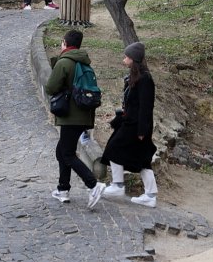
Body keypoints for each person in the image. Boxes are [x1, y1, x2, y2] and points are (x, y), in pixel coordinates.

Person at [45, 29, 103, 209]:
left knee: (67, 153)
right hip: (85, 115)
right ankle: (63, 190)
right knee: (62, 151)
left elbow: (50, 87)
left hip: (71, 116)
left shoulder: (65, 62)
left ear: (64, 43)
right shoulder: (85, 62)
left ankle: (93, 184)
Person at [99, 42, 158, 207]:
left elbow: (146, 108)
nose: (124, 58)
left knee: (113, 148)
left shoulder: (145, 79)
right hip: (130, 123)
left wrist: (142, 130)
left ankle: (118, 186)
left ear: (133, 59)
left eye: (127, 56)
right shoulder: (134, 77)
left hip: (136, 126)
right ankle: (151, 195)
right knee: (143, 159)